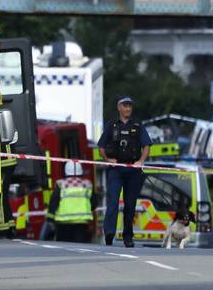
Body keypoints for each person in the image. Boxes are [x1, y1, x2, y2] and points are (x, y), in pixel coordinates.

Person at [98, 96, 152, 247]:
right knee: (113, 201)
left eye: (130, 106)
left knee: (130, 204)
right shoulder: (112, 125)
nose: (128, 109)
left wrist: (141, 161)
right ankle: (109, 233)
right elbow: (101, 146)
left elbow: (147, 146)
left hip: (133, 170)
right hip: (116, 170)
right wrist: (107, 159)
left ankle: (128, 236)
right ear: (119, 107)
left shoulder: (138, 125)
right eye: (125, 106)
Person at [44, 161, 95, 243]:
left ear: (66, 170)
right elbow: (94, 203)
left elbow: (54, 202)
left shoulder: (60, 184)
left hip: (63, 224)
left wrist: (50, 218)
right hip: (81, 224)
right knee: (81, 247)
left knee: (64, 247)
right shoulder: (87, 184)